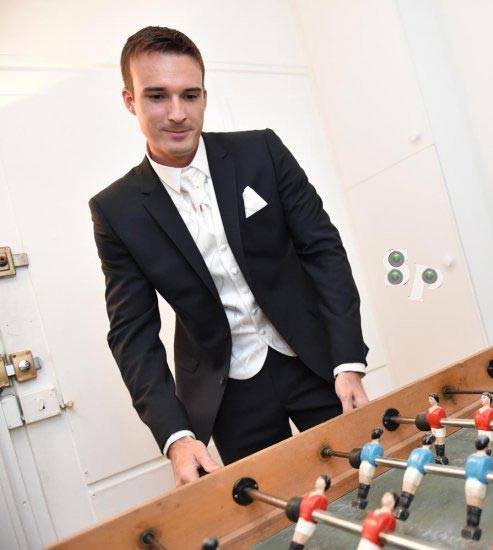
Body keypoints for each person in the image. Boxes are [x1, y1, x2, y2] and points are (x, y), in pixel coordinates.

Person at [89, 26, 369, 486]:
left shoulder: (262, 151)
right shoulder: (115, 211)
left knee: (364, 481)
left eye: (190, 95)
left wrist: (348, 361)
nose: (178, 113)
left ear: (204, 95)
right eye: (157, 96)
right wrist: (176, 436)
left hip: (319, 364)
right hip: (228, 394)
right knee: (279, 508)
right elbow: (132, 334)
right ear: (130, 101)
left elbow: (324, 252)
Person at [394, 434, 435, 520]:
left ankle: (398, 510)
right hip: (417, 472)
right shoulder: (429, 453)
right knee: (410, 492)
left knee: (404, 491)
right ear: (431, 444)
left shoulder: (415, 450)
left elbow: (409, 461)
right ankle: (402, 511)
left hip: (408, 471)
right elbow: (431, 464)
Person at [463, 435, 493, 540]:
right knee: (477, 506)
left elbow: (467, 471)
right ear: (486, 446)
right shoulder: (486, 459)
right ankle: (474, 528)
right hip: (479, 484)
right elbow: (490, 472)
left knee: (470, 506)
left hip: (469, 483)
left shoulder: (470, 457)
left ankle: (468, 526)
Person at [290, 474, 330, 550]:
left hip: (308, 523)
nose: (316, 481)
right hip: (302, 520)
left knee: (297, 546)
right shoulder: (310, 494)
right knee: (293, 543)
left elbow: (321, 513)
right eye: (317, 479)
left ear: (325, 484)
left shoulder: (322, 498)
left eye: (319, 480)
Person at [353, 428, 384, 509]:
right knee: (366, 484)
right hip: (369, 466)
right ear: (380, 436)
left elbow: (362, 456)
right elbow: (377, 456)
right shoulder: (378, 447)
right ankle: (361, 501)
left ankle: (359, 499)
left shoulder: (366, 445)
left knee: (362, 483)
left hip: (362, 464)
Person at [426, 393, 449, 464]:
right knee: (435, 442)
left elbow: (444, 420)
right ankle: (438, 456)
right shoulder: (429, 409)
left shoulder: (440, 410)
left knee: (440, 441)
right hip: (433, 428)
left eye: (431, 399)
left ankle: (442, 457)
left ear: (435, 400)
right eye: (429, 399)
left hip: (439, 428)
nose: (429, 401)